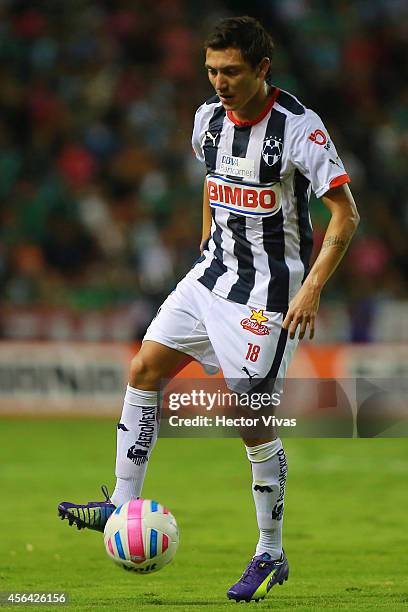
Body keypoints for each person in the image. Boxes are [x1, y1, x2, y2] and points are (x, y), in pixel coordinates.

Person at [58, 16, 359, 603]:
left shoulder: (299, 129)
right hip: (209, 278)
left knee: (248, 420)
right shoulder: (208, 119)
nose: (218, 82)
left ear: (262, 69)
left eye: (231, 72)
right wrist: (206, 239)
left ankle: (269, 551)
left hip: (268, 296)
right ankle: (121, 502)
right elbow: (211, 178)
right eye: (211, 71)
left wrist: (312, 289)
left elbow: (345, 215)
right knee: (144, 369)